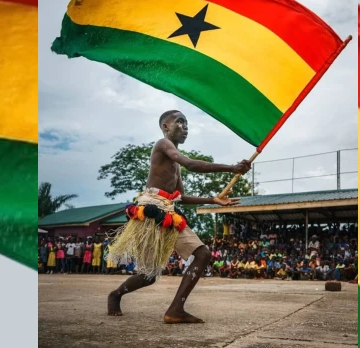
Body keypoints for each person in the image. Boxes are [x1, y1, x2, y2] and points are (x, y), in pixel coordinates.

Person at [106, 110, 251, 323]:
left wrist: (213, 200)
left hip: (169, 212)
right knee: (148, 276)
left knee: (202, 254)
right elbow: (191, 164)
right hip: (151, 210)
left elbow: (179, 197)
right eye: (180, 122)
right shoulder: (162, 144)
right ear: (166, 127)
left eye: (187, 123)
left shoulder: (175, 165)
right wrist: (231, 168)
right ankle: (116, 294)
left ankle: (176, 309)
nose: (185, 127)